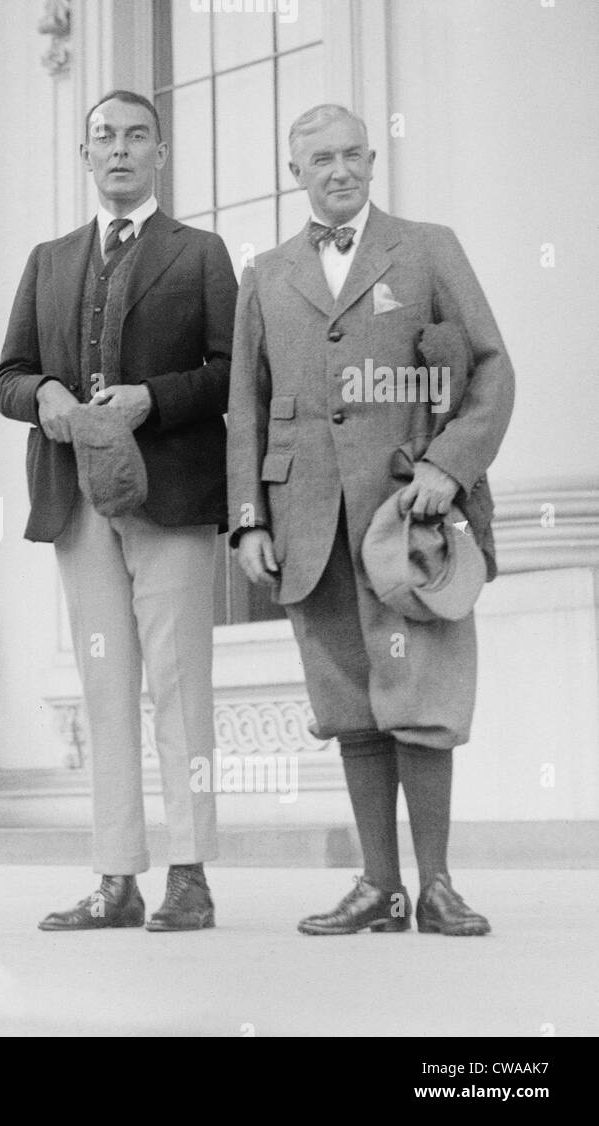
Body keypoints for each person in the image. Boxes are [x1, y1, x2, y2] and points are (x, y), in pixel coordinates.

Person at [227, 104, 514, 936]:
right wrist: (249, 519)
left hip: (409, 522)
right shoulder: (266, 274)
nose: (340, 170)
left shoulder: (428, 248)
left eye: (354, 154)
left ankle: (440, 886)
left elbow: (493, 370)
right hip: (307, 525)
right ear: (296, 172)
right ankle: (379, 889)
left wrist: (446, 466)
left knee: (421, 698)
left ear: (372, 161)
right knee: (349, 704)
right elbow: (243, 408)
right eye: (322, 158)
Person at [0, 90, 237, 933]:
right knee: (105, 692)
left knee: (180, 688)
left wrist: (153, 400)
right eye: (106, 138)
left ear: (160, 154)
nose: (121, 151)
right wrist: (48, 392)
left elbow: (232, 372)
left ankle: (191, 873)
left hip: (171, 497)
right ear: (86, 155)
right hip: (78, 502)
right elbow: (7, 376)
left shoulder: (201, 253)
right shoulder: (49, 260)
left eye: (138, 137)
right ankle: (115, 878)